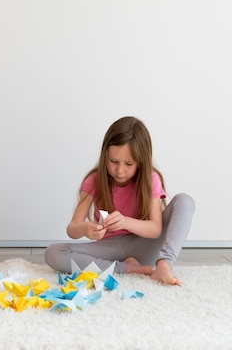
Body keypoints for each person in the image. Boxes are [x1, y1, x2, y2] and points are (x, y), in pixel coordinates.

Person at [44, 116, 195, 285]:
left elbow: (155, 229)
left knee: (185, 201)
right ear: (105, 155)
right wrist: (85, 228)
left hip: (145, 246)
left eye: (129, 164)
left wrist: (125, 222)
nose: (120, 170)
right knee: (54, 253)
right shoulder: (94, 180)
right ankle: (128, 268)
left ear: (141, 162)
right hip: (110, 248)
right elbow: (72, 229)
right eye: (113, 161)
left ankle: (164, 265)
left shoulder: (151, 179)